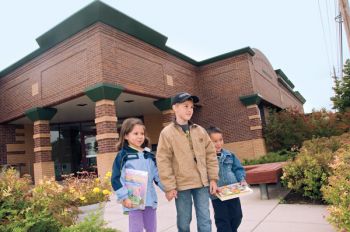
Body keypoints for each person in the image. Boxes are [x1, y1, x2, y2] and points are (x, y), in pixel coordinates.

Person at [156, 92, 219, 232]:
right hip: (181, 185)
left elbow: (211, 155)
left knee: (205, 219)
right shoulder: (166, 133)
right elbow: (163, 161)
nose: (190, 109)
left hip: (202, 183)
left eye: (191, 107)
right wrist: (169, 186)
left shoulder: (200, 130)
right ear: (175, 108)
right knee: (184, 220)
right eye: (185, 106)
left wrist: (213, 179)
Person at [111, 118, 163, 232]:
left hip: (150, 199)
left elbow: (157, 176)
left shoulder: (148, 154)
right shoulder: (123, 155)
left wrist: (168, 188)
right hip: (133, 199)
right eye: (135, 133)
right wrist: (124, 197)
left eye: (142, 133)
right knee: (136, 229)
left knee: (152, 228)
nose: (140, 136)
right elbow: (116, 178)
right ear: (125, 136)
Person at [206, 126, 246, 232]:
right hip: (217, 196)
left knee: (237, 216)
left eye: (220, 140)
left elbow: (238, 169)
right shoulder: (206, 158)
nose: (218, 143)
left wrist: (241, 179)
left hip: (233, 192)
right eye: (214, 141)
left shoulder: (230, 155)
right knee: (223, 221)